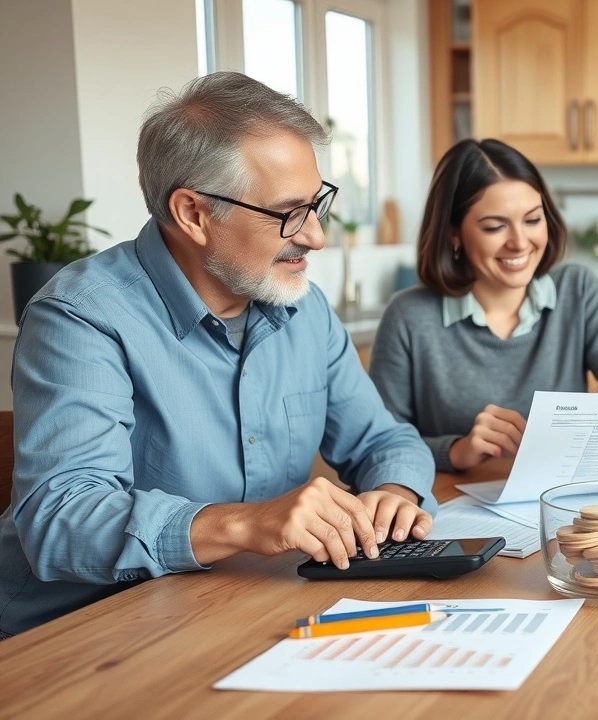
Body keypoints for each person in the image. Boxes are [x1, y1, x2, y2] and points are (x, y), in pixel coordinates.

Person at [0, 72, 437, 638]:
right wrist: (246, 525)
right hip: (77, 634)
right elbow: (62, 519)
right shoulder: (81, 317)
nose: (316, 237)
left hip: (234, 608)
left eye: (317, 204)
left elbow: (383, 441)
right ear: (193, 215)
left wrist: (393, 494)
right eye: (288, 213)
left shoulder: (305, 309)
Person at [368, 138, 598, 474]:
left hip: (558, 500)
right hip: (450, 503)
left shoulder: (576, 291)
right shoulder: (409, 316)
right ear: (454, 234)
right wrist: (455, 450)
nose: (520, 243)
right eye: (495, 227)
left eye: (533, 220)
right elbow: (379, 443)